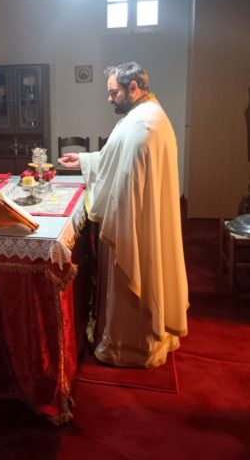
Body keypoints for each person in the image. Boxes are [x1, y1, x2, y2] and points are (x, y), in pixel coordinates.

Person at [59, 62, 189, 368]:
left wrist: (117, 221)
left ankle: (130, 346)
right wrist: (85, 159)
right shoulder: (140, 115)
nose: (109, 99)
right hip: (131, 213)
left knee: (133, 278)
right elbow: (115, 159)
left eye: (113, 92)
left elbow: (129, 182)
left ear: (133, 88)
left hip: (134, 222)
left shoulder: (146, 124)